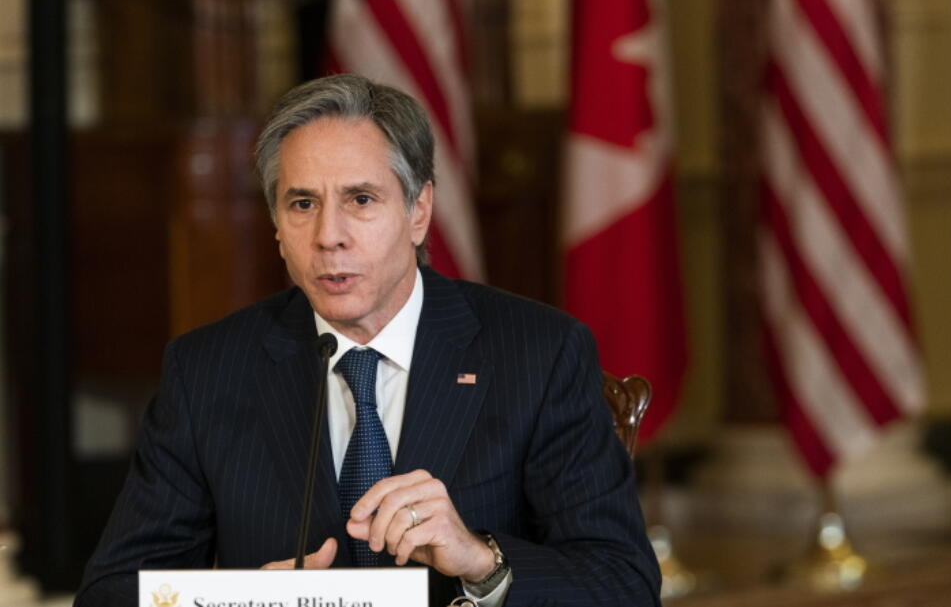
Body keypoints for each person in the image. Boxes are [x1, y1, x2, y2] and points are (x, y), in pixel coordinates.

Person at [75, 75, 662, 607]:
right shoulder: (207, 370)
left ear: (419, 210)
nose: (329, 236)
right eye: (302, 204)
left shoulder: (539, 355)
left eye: (361, 200)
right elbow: (111, 592)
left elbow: (623, 583)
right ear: (277, 227)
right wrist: (243, 601)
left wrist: (481, 561)